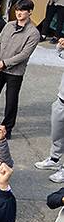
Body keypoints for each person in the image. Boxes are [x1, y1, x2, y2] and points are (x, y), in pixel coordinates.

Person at [0, 0, 40, 140]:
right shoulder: (9, 25)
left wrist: (4, 63)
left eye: (23, 10)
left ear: (30, 12)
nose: (19, 13)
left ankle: (7, 128)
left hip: (15, 72)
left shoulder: (33, 33)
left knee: (11, 101)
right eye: (17, 10)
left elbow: (24, 54)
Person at [35, 38, 64, 181]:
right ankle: (54, 159)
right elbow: (61, 54)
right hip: (61, 100)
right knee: (57, 132)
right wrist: (59, 47)